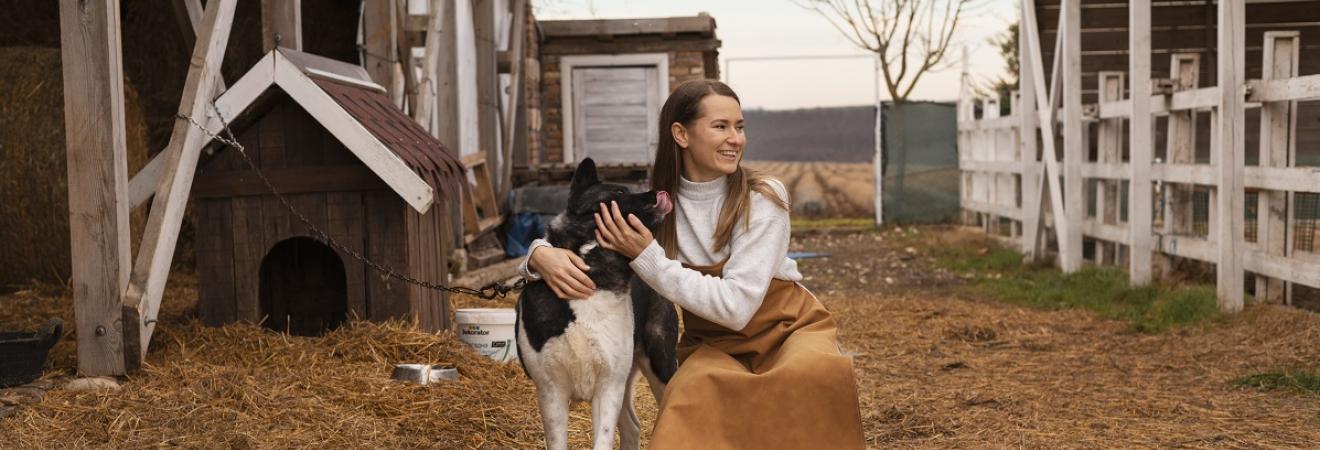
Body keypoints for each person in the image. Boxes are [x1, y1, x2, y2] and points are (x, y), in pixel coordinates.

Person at [519, 79, 864, 449]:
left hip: (787, 331)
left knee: (814, 375)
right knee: (685, 409)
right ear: (681, 134)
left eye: (740, 126)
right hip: (712, 343)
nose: (736, 138)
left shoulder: (763, 198)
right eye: (721, 126)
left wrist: (646, 256)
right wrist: (538, 255)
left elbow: (736, 308)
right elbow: (582, 227)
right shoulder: (661, 207)